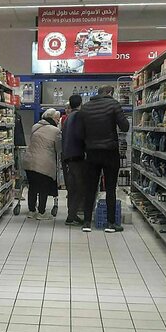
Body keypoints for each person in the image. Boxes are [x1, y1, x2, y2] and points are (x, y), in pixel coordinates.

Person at [76, 85, 130, 233]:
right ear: (110, 93)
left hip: (91, 153)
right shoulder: (113, 104)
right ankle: (111, 224)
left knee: (90, 188)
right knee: (111, 188)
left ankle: (87, 222)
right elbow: (125, 126)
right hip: (110, 152)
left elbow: (80, 134)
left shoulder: (85, 108)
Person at [22, 108, 61, 220]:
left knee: (33, 187)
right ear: (53, 118)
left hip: (29, 161)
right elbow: (58, 148)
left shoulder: (35, 126)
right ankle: (41, 212)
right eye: (57, 119)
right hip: (44, 163)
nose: (58, 121)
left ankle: (31, 211)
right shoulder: (55, 131)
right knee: (43, 188)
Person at [60, 94, 84, 226]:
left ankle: (71, 215)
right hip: (76, 156)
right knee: (80, 187)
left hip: (67, 156)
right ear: (81, 103)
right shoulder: (79, 116)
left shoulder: (67, 118)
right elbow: (81, 135)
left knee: (72, 187)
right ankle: (72, 215)